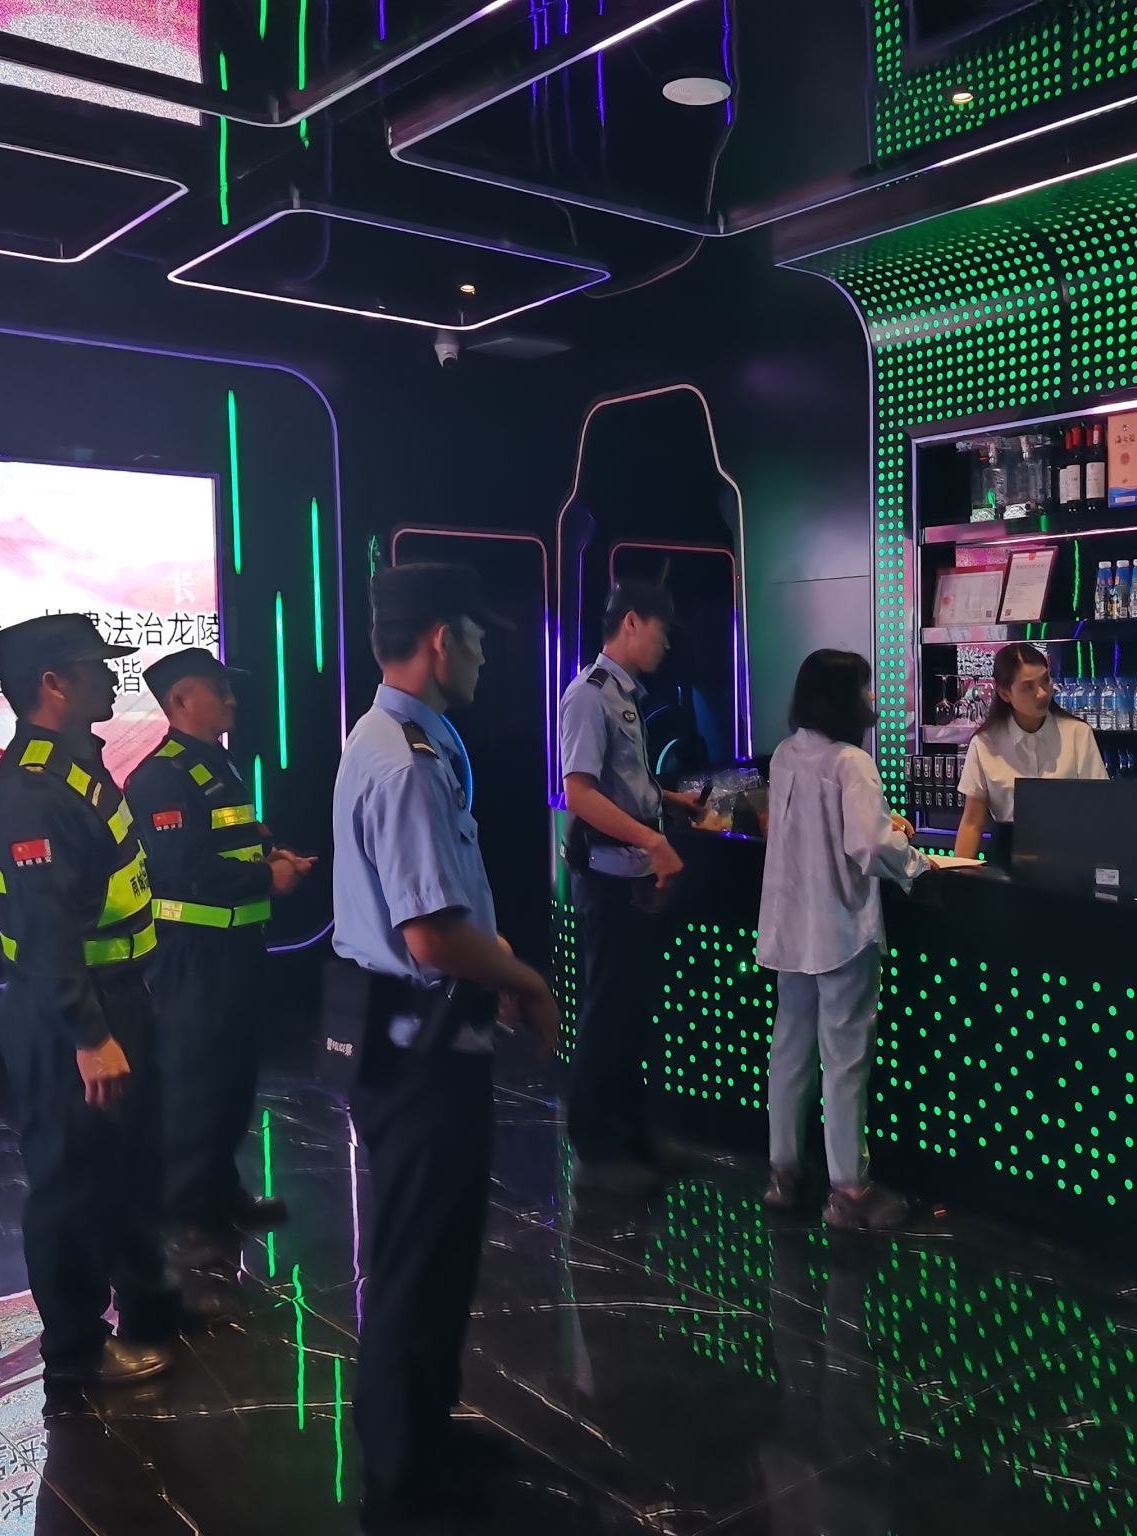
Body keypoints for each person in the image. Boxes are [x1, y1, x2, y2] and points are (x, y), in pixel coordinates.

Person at [330, 563, 560, 1532]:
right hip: (413, 1033)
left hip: (419, 1023)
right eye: (473, 635)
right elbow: (429, 935)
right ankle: (402, 1474)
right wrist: (525, 978)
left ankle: (425, 1432)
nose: (483, 651)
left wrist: (491, 963)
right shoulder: (403, 760)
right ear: (436, 640)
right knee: (416, 1255)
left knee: (437, 1248)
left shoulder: (405, 737)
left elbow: (447, 910)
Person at [0, 614, 179, 1388]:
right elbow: (45, 932)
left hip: (115, 995)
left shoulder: (75, 766)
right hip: (67, 1013)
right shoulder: (30, 793)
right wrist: (90, 1035)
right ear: (52, 683)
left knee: (128, 1162)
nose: (113, 677)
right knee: (68, 1182)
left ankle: (149, 1307)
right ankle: (76, 1352)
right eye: (98, 666)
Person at [124, 647, 315, 1301]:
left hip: (236, 952)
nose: (231, 699)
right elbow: (183, 870)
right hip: (193, 957)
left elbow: (228, 842)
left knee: (231, 1083)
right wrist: (268, 876)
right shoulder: (160, 777)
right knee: (194, 1090)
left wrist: (271, 853)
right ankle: (187, 1223)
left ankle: (220, 1195)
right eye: (217, 689)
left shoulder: (215, 764)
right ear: (180, 701)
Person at [758, 650, 928, 1230]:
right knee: (845, 1062)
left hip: (789, 928)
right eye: (866, 687)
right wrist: (916, 862)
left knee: (789, 1053)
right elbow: (868, 845)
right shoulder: (853, 762)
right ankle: (849, 1190)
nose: (873, 698)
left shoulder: (786, 754)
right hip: (839, 930)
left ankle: (783, 1174)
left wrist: (881, 825)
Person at [557, 580, 711, 1191]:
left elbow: (623, 783)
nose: (665, 643)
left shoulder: (624, 694)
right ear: (631, 622)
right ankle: (595, 1148)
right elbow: (580, 794)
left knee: (633, 1014)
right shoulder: (588, 695)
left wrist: (669, 801)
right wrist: (653, 839)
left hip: (633, 878)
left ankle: (632, 1132)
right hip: (609, 880)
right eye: (660, 629)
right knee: (607, 1013)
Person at [953, 641, 1106, 858]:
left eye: (1045, 680)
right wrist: (956, 874)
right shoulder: (984, 743)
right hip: (1007, 858)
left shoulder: (1078, 734)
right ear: (1005, 694)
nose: (1042, 693)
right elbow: (972, 822)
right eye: (1028, 687)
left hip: (1068, 855)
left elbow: (1099, 809)